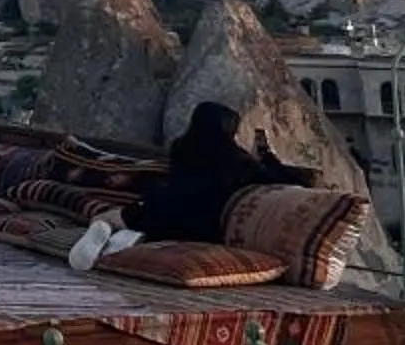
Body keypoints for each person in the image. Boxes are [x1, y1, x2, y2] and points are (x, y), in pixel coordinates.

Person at [71, 100, 316, 269]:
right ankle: (130, 240)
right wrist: (266, 157)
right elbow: (286, 180)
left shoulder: (180, 147)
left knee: (109, 217)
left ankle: (109, 231)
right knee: (157, 228)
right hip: (204, 225)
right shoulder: (238, 160)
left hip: (163, 207)